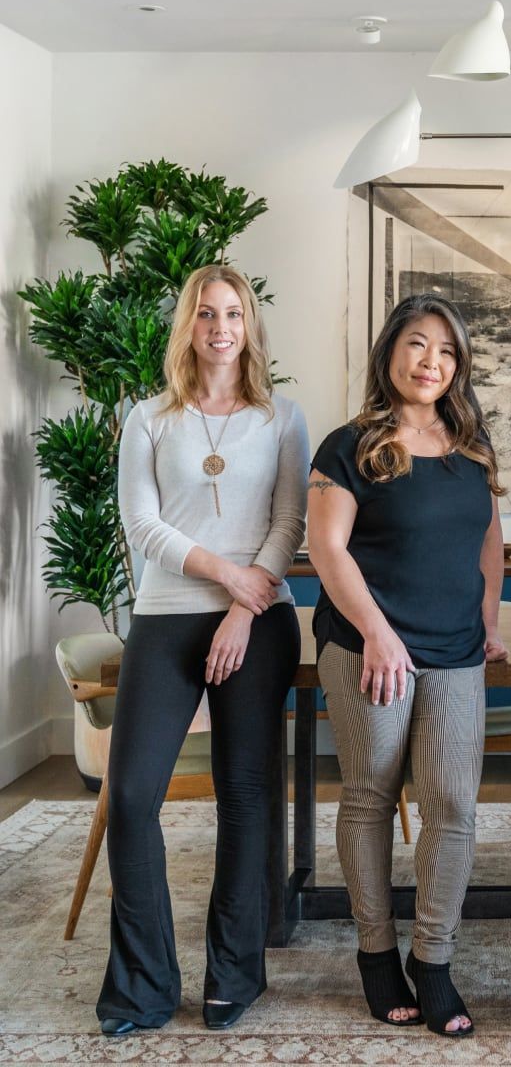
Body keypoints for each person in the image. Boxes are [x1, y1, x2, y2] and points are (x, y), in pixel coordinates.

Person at [98, 265, 309, 1036]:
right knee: (129, 797)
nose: (221, 328)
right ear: (186, 326)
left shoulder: (282, 417)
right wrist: (229, 580)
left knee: (245, 795)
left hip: (258, 622)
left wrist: (247, 609)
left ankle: (234, 973)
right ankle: (145, 986)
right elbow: (143, 527)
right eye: (206, 314)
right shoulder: (150, 420)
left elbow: (290, 524)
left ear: (250, 326)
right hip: (168, 612)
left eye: (234, 314)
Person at [306, 294, 507, 1039]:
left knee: (452, 804)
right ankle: (375, 953)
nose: (432, 362)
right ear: (391, 352)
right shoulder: (347, 445)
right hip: (368, 648)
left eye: (447, 351)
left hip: (455, 651)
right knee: (370, 793)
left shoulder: (471, 443)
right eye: (419, 345)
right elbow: (327, 550)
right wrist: (379, 633)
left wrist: (488, 620)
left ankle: (435, 959)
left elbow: (487, 539)